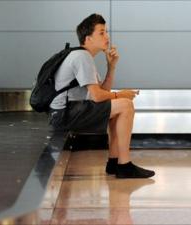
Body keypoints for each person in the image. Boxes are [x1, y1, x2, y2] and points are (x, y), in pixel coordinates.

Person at [48, 13, 155, 179]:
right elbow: (98, 97)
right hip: (64, 114)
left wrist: (111, 67)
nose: (107, 36)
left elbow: (102, 92)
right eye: (102, 32)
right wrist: (121, 95)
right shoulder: (82, 57)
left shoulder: (84, 57)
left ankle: (114, 162)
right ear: (88, 38)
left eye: (106, 32)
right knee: (125, 105)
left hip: (68, 111)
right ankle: (124, 165)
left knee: (119, 106)